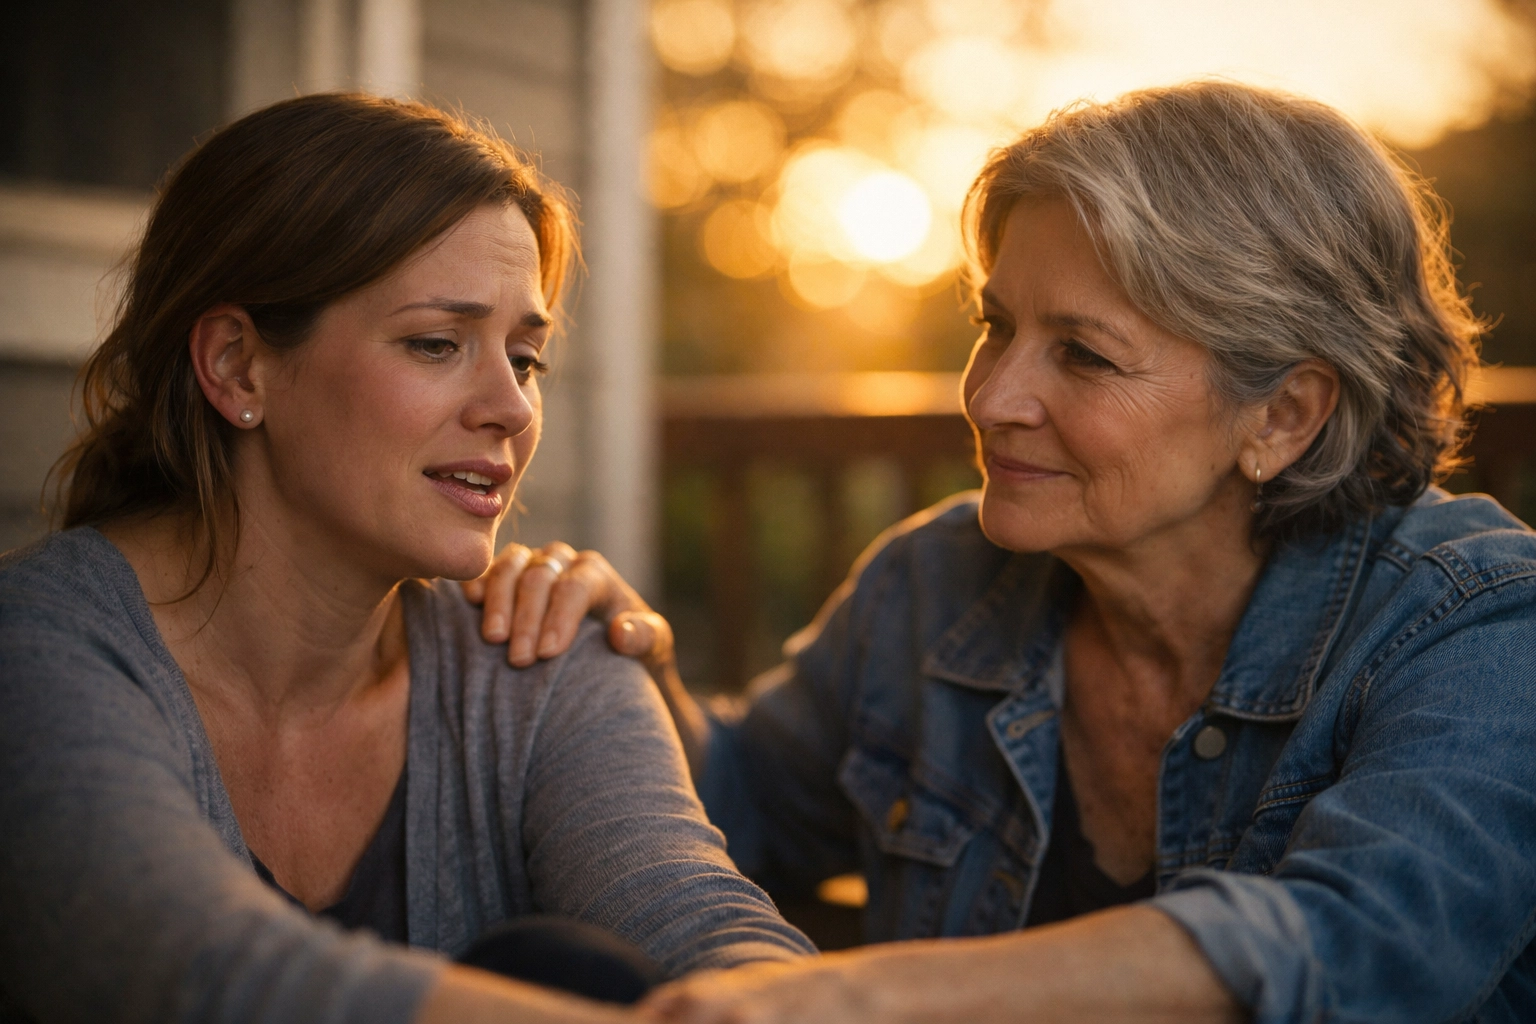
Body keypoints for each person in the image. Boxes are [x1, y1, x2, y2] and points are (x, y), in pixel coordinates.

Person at [470, 82, 1536, 1022]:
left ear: (1285, 416)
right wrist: (630, 651)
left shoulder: (1476, 620)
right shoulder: (937, 582)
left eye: (1083, 353)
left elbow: (1350, 947)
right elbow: (748, 805)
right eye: (995, 326)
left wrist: (855, 993)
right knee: (548, 967)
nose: (991, 396)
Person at [0, 93, 812, 1024]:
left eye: (526, 359)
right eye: (436, 343)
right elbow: (178, 964)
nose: (510, 407)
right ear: (236, 366)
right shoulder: (38, 650)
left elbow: (697, 919)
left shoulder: (536, 655)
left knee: (563, 962)